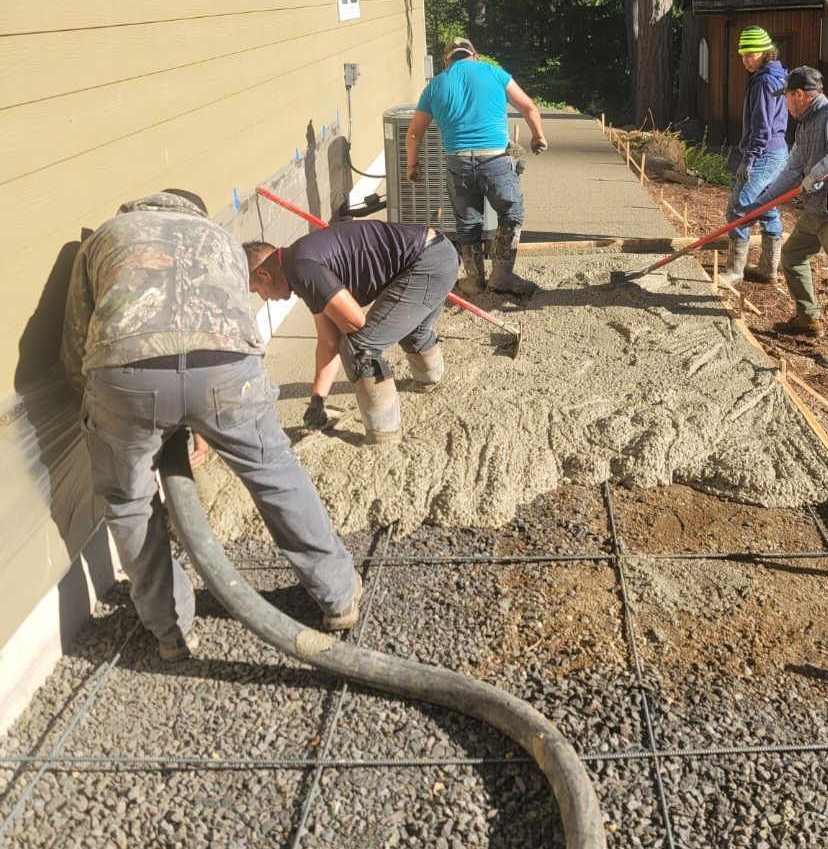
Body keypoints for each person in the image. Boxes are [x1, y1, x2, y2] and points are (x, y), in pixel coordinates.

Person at [60, 190, 362, 662]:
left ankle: (170, 632)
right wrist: (206, 411)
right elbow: (235, 325)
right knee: (274, 474)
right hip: (227, 372)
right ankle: (339, 596)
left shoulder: (105, 238)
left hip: (125, 373)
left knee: (130, 501)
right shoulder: (220, 237)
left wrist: (119, 411)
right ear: (193, 213)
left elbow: (77, 345)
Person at [243, 219, 458, 443]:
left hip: (427, 264)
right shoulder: (297, 263)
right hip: (439, 254)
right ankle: (428, 380)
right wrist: (318, 397)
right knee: (409, 328)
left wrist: (350, 339)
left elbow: (355, 322)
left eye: (256, 290)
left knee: (360, 348)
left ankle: (383, 435)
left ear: (265, 274)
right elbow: (328, 341)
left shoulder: (301, 267)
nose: (264, 298)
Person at [745, 67, 828, 371]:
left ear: (799, 95)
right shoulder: (805, 124)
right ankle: (808, 317)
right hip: (818, 209)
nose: (784, 104)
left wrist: (815, 175)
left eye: (786, 98)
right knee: (792, 255)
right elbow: (790, 171)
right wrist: (759, 204)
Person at [404, 37, 548, 298]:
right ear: (475, 55)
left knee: (468, 224)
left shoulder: (435, 86)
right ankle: (502, 274)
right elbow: (529, 107)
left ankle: (473, 281)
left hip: (458, 163)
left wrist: (412, 165)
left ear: (446, 61)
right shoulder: (495, 73)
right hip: (496, 162)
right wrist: (538, 136)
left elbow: (413, 135)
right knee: (511, 214)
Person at [719, 26, 790, 288]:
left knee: (739, 206)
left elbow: (762, 127)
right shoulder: (777, 74)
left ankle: (735, 271)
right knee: (766, 205)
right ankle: (768, 268)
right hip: (778, 150)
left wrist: (749, 159)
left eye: (751, 54)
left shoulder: (763, 82)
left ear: (765, 51)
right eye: (743, 55)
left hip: (765, 153)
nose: (746, 60)